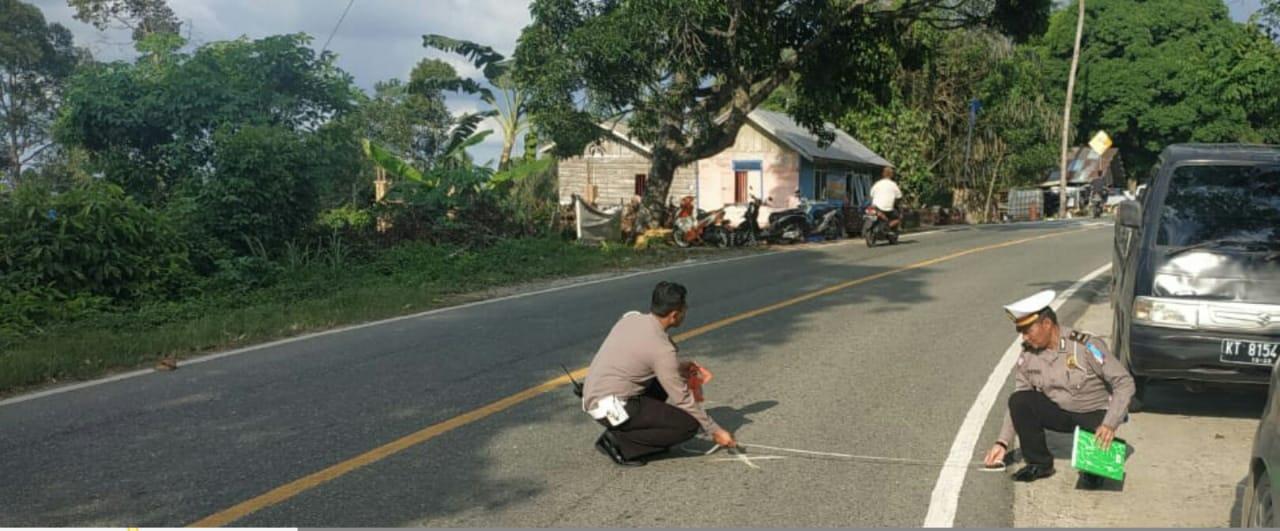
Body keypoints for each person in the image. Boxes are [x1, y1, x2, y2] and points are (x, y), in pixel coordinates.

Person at [983, 289, 1135, 489]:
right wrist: (1002, 442)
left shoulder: (1086, 346)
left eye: (1028, 331)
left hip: (1094, 413)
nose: (1024, 338)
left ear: (1046, 324)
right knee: (1019, 400)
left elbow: (1124, 382)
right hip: (1060, 413)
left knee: (1092, 479)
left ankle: (1094, 466)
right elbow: (1019, 400)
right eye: (1021, 332)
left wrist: (1110, 423)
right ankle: (1039, 464)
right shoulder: (1028, 356)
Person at [582, 281, 737, 466]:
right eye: (684, 309)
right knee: (687, 426)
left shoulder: (631, 318)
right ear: (674, 315)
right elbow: (682, 399)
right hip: (611, 408)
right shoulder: (662, 349)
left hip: (595, 396)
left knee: (665, 381)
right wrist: (715, 430)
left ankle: (637, 432)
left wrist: (678, 368)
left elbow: (641, 359)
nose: (685, 313)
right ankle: (620, 443)